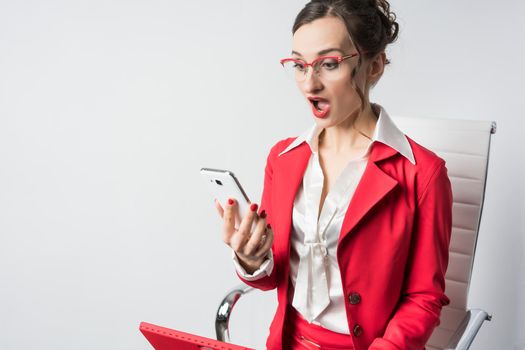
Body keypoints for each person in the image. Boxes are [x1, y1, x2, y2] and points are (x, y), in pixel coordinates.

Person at [214, 1, 453, 349]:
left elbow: (424, 299)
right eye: (298, 65)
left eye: (328, 64)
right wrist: (252, 259)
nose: (310, 83)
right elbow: (274, 277)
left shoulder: (424, 174)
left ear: (374, 67)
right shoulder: (282, 159)